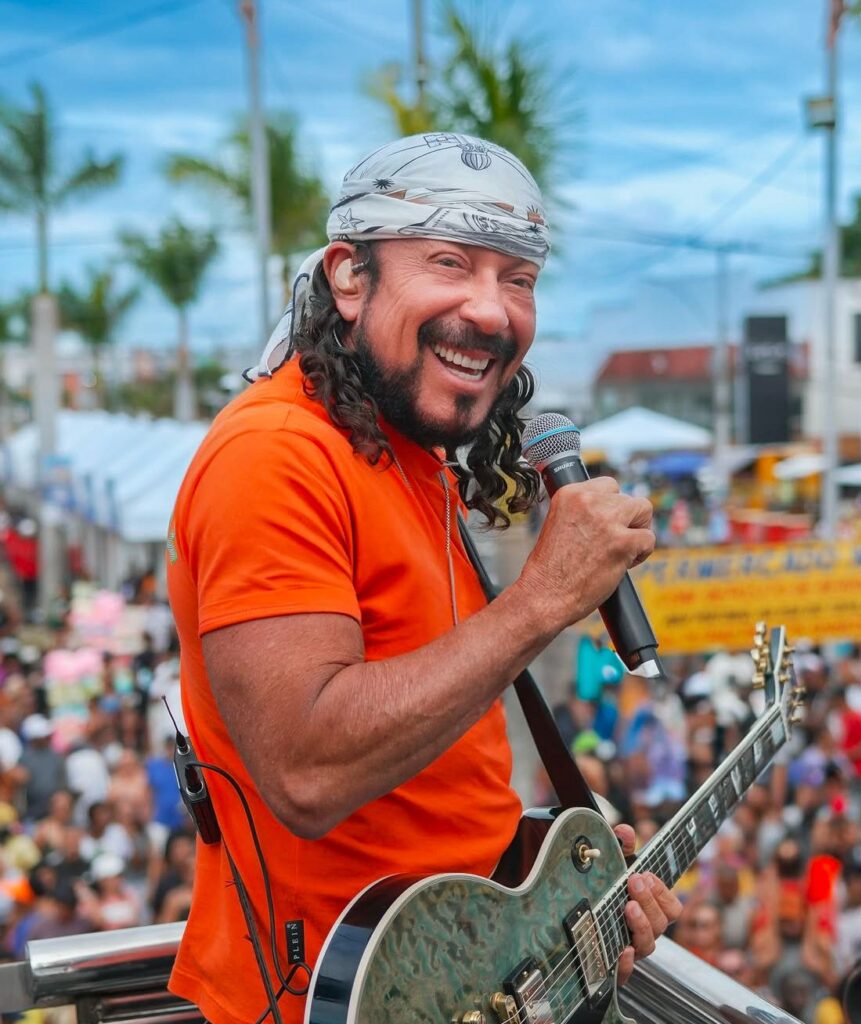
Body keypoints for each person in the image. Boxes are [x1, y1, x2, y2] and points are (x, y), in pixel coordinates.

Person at [166, 132, 681, 1024]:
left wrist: (552, 898)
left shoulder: (410, 454)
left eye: (517, 279)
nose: (490, 310)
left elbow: (429, 788)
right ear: (349, 277)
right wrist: (542, 600)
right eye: (450, 263)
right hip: (320, 1000)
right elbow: (308, 772)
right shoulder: (275, 455)